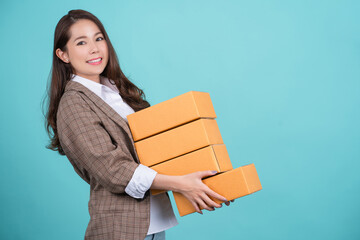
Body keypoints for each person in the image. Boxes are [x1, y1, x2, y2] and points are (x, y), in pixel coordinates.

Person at [45, 9, 231, 240]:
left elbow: (152, 152)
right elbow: (113, 170)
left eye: (99, 38)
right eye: (81, 42)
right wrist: (181, 184)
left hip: (152, 226)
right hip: (120, 230)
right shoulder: (73, 104)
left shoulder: (115, 90)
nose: (94, 48)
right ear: (63, 55)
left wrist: (205, 179)